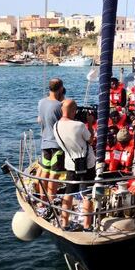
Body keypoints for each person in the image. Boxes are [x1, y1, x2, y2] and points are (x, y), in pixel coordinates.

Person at [53, 99, 96, 231]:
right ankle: (87, 226)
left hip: (70, 164)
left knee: (69, 193)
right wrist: (89, 123)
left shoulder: (56, 126)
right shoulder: (79, 126)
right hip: (86, 164)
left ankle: (65, 223)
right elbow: (91, 139)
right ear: (73, 111)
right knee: (87, 193)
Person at [37, 78, 65, 208]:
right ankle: (51, 202)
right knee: (54, 175)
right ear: (60, 89)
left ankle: (42, 201)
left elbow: (39, 119)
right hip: (57, 145)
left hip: (45, 143)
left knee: (44, 172)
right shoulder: (59, 106)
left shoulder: (41, 102)